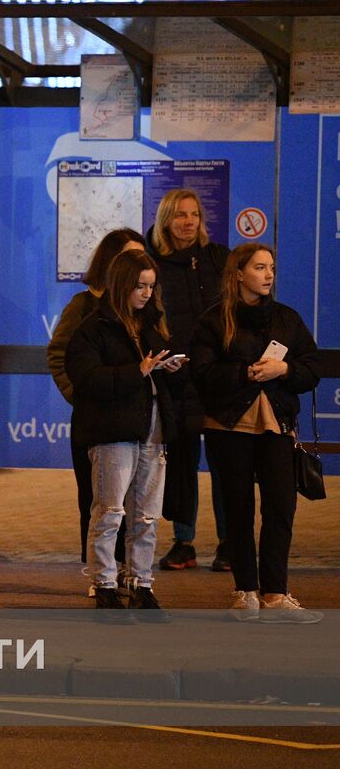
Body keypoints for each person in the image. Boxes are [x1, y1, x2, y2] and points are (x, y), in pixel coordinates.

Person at [190, 244, 322, 623]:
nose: (268, 275)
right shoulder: (214, 321)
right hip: (227, 426)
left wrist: (284, 371)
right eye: (260, 267)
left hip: (277, 425)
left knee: (281, 506)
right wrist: (246, 372)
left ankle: (276, 593)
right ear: (238, 274)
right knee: (238, 509)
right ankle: (245, 591)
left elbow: (311, 368)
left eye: (272, 268)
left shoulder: (287, 319)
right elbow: (201, 375)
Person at [65, 249, 182, 618]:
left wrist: (166, 368)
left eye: (150, 286)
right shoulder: (93, 329)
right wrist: (140, 370)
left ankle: (141, 583)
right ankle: (105, 584)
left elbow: (146, 374)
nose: (146, 294)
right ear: (120, 286)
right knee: (110, 512)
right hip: (112, 433)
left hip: (151, 430)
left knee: (147, 514)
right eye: (139, 287)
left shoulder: (149, 326)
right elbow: (88, 380)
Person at [46, 227, 146, 572]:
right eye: (127, 258)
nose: (135, 267)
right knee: (98, 500)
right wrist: (80, 395)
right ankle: (101, 572)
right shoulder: (85, 305)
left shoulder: (144, 308)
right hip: (96, 420)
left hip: (137, 420)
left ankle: (132, 571)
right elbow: (59, 355)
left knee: (137, 502)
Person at [147, 188, 230, 572]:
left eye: (194, 214)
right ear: (166, 220)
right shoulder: (152, 263)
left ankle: (231, 543)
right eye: (180, 214)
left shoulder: (217, 258)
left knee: (228, 466)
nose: (188, 221)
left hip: (218, 380)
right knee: (181, 466)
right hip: (177, 381)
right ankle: (184, 542)